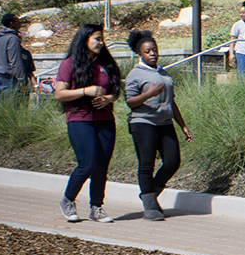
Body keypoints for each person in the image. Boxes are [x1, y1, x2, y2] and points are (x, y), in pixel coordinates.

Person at [54, 23, 122, 223]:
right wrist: (86, 91)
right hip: (80, 119)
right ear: (85, 40)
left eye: (102, 39)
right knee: (88, 163)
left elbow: (115, 91)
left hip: (105, 120)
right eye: (97, 39)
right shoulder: (69, 64)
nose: (101, 43)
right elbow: (59, 93)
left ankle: (96, 208)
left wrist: (108, 99)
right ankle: (68, 200)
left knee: (102, 166)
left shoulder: (106, 64)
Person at [123, 31, 190, 221]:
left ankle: (148, 194)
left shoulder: (163, 72)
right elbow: (131, 102)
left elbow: (172, 101)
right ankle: (151, 205)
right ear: (140, 54)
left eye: (154, 50)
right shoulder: (135, 74)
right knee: (146, 164)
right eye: (147, 51)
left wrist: (182, 125)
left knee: (172, 161)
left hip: (165, 122)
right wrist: (148, 93)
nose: (152, 53)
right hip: (143, 122)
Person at [0, 12, 32, 95]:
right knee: (13, 104)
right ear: (11, 23)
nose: (20, 24)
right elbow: (14, 60)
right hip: (9, 78)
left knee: (0, 105)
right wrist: (22, 79)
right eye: (18, 22)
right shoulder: (13, 38)